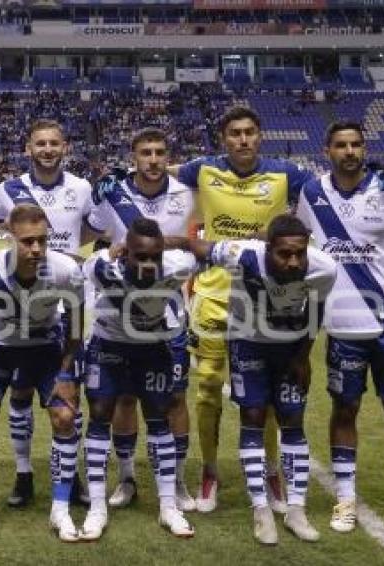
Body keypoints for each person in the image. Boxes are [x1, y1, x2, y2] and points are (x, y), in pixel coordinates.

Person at [295, 121, 384, 536]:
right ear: (327, 150)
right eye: (341, 145)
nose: (349, 151)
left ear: (365, 147)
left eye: (356, 144)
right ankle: (345, 498)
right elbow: (297, 249)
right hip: (341, 326)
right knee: (345, 409)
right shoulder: (311, 194)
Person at [169, 105, 314, 513]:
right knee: (209, 387)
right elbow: (156, 169)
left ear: (260, 135)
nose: (243, 139)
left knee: (264, 393)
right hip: (214, 293)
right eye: (235, 133)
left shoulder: (287, 174)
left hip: (264, 297)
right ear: (223, 139)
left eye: (250, 132)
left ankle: (270, 471)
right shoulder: (203, 170)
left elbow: (327, 197)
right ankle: (210, 470)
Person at [187, 215, 337, 544]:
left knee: (292, 420)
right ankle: (261, 511)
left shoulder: (324, 268)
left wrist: (302, 357)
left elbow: (317, 310)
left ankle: (296, 511)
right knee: (253, 416)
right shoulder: (242, 254)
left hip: (289, 346)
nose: (293, 261)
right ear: (268, 248)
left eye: (300, 253)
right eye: (284, 254)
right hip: (248, 341)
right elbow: (195, 245)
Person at [0, 119, 95, 507]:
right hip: (15, 302)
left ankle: (69, 473)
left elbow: (94, 229)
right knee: (21, 396)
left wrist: (67, 257)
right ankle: (24, 474)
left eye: (54, 143)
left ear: (65, 148)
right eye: (40, 143)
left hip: (59, 294)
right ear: (28, 148)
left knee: (67, 403)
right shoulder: (7, 189)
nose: (47, 149)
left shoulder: (81, 187)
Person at [87, 128, 196, 511]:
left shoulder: (187, 191)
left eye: (160, 152)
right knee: (124, 398)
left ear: (170, 156)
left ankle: (178, 481)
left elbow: (196, 243)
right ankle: (127, 477)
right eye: (145, 152)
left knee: (176, 398)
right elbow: (96, 233)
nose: (153, 159)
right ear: (133, 156)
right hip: (121, 314)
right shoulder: (113, 193)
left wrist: (173, 244)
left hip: (169, 315)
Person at [0, 204, 85, 542]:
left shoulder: (65, 270)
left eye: (42, 241)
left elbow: (75, 330)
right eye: (27, 241)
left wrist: (64, 376)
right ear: (10, 239)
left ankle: (60, 510)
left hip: (45, 348)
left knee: (64, 416)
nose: (36, 249)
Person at [79, 217, 195, 541]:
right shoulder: (101, 267)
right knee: (100, 416)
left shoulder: (177, 267)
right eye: (138, 257)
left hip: (151, 349)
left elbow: (194, 250)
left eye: (153, 257)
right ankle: (97, 507)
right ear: (123, 254)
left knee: (160, 420)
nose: (147, 265)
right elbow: (89, 270)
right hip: (109, 347)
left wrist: (170, 243)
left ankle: (168, 505)